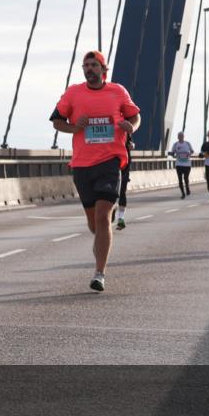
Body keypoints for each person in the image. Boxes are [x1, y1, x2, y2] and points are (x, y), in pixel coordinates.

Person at [50, 50, 141, 292]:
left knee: (103, 216)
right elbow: (57, 121)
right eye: (86, 65)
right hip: (82, 166)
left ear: (103, 70)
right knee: (95, 224)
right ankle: (102, 237)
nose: (89, 68)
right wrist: (73, 127)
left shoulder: (118, 91)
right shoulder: (73, 93)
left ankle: (99, 273)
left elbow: (136, 117)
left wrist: (129, 126)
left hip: (111, 162)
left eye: (93, 65)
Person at [114, 135, 133, 229]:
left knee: (122, 192)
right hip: (108, 163)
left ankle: (121, 219)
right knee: (109, 192)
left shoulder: (123, 126)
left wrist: (131, 145)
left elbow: (130, 143)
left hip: (124, 164)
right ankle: (111, 210)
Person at [168, 132, 194, 199]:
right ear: (177, 137)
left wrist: (189, 154)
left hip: (187, 164)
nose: (180, 137)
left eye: (181, 136)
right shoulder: (175, 144)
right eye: (179, 136)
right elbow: (172, 153)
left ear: (183, 136)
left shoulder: (187, 144)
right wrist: (171, 154)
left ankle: (187, 188)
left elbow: (192, 151)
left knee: (185, 178)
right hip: (179, 164)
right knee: (180, 179)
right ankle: (183, 194)